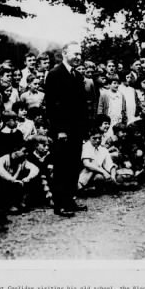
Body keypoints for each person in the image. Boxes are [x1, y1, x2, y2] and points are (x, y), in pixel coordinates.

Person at [45, 42, 88, 217]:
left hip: (76, 130)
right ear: (64, 53)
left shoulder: (78, 76)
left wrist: (83, 129)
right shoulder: (55, 74)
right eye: (75, 54)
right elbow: (52, 106)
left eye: (80, 54)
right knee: (61, 166)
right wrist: (60, 129)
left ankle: (70, 199)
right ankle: (60, 204)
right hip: (62, 130)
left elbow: (80, 106)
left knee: (73, 165)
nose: (78, 57)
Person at [0, 141, 39, 213]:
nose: (26, 153)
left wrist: (28, 177)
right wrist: (11, 179)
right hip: (3, 182)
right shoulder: (3, 159)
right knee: (3, 184)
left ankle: (20, 203)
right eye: (24, 151)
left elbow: (35, 169)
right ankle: (7, 205)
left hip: (15, 182)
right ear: (16, 151)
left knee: (23, 182)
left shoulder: (23, 160)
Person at [78, 128, 118, 193]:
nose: (97, 140)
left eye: (99, 138)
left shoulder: (102, 149)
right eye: (94, 138)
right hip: (83, 174)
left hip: (96, 173)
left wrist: (113, 176)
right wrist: (103, 172)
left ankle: (97, 189)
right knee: (95, 167)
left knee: (100, 177)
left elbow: (109, 164)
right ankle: (81, 187)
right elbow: (87, 164)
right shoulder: (86, 146)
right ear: (89, 138)